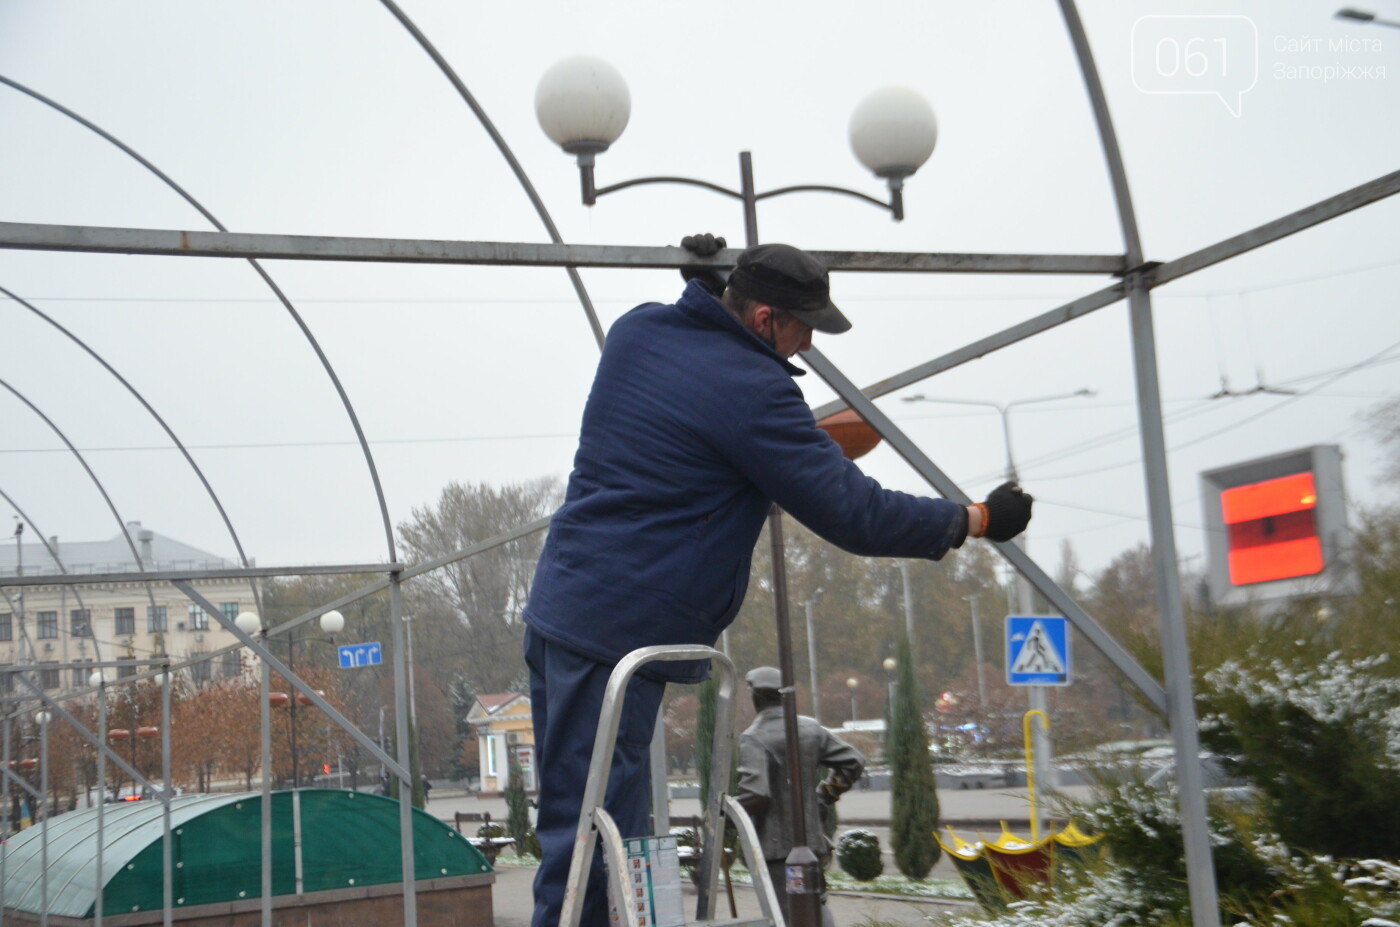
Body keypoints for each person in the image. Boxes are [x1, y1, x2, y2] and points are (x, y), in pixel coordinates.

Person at [522, 236, 1033, 927]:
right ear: (765, 318)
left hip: (563, 609)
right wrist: (971, 519)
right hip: (617, 633)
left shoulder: (639, 330)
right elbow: (853, 512)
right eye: (802, 330)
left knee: (588, 827)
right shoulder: (754, 390)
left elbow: (692, 399)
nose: (806, 349)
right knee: (591, 838)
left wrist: (703, 285)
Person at [734, 666, 865, 927]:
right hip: (810, 844)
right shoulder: (810, 728)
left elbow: (756, 795)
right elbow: (854, 761)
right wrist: (824, 795)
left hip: (776, 849)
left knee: (788, 914)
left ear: (756, 697)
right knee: (815, 905)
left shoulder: (754, 737)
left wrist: (726, 813)